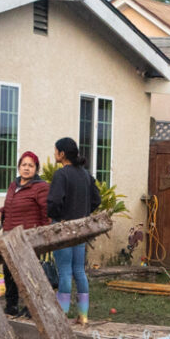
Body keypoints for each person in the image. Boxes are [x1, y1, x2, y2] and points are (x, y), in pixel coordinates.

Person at [47, 136, 98, 324]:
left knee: (65, 271)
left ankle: (62, 317)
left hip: (63, 229)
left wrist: (56, 217)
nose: (54, 154)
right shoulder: (85, 174)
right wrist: (85, 213)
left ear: (62, 154)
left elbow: (54, 201)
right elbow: (96, 199)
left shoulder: (62, 174)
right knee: (79, 270)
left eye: (55, 151)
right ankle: (83, 316)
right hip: (81, 230)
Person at [0, 151, 50, 316]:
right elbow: (10, 206)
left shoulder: (41, 187)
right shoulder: (13, 185)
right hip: (9, 236)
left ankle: (33, 308)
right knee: (9, 272)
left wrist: (45, 235)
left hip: (28, 238)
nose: (26, 168)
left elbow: (46, 212)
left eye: (31, 165)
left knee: (28, 274)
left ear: (36, 169)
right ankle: (11, 307)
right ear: (18, 167)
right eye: (24, 165)